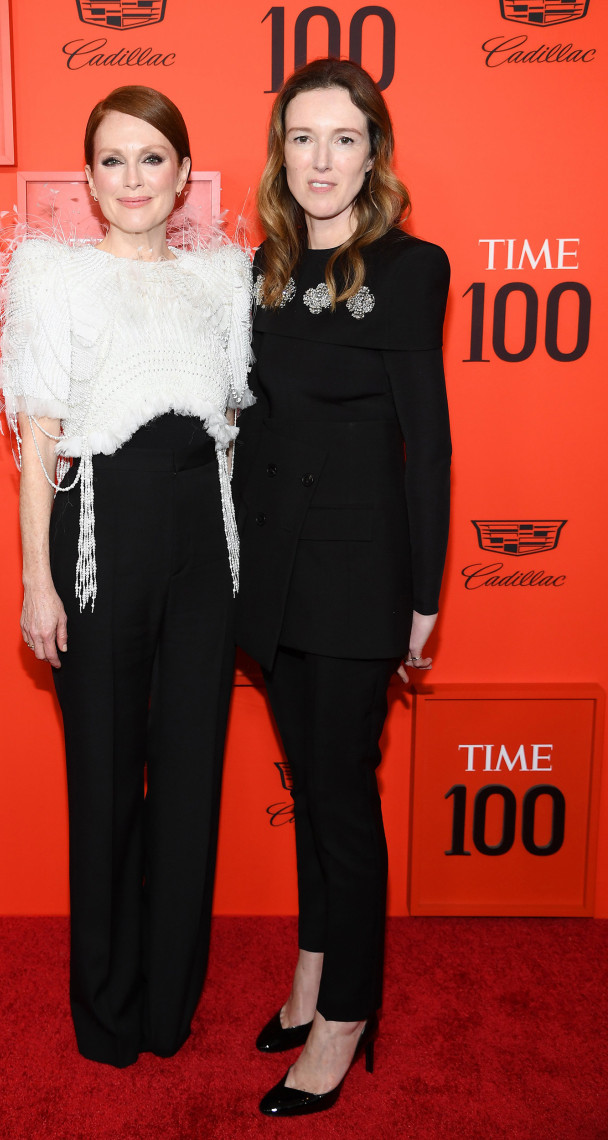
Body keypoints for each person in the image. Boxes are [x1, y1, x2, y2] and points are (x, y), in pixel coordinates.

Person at [0, 86, 253, 1068]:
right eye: (114, 160)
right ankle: (106, 1010)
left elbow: (234, 426)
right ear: (89, 179)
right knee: (103, 777)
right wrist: (35, 579)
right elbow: (37, 441)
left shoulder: (222, 280)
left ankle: (167, 1005)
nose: (134, 178)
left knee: (190, 775)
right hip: (97, 540)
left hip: (202, 545)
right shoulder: (53, 277)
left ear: (184, 174)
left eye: (153, 158)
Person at [233, 58, 451, 1116]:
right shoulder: (259, 269)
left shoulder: (410, 269)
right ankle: (315, 973)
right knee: (316, 794)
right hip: (272, 581)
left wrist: (423, 596)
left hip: (361, 581)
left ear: (375, 152)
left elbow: (428, 440)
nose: (320, 160)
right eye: (302, 137)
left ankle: (347, 1014)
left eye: (343, 138)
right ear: (282, 151)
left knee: (342, 810)